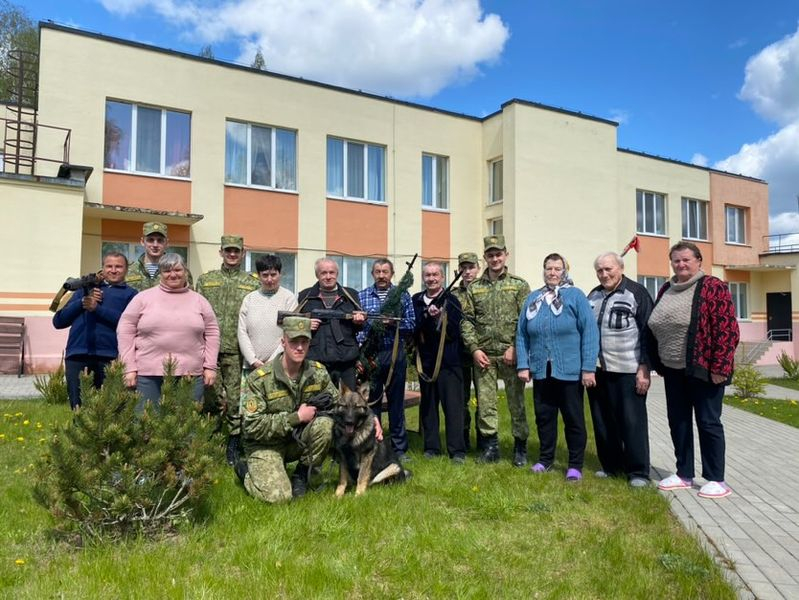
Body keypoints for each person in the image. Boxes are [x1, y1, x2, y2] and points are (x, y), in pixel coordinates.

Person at [647, 241, 739, 499]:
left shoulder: (713, 287)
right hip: (673, 369)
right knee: (679, 421)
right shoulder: (667, 288)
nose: (681, 264)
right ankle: (683, 473)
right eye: (676, 260)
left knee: (708, 422)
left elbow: (727, 330)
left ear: (699, 261)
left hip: (705, 369)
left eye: (686, 259)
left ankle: (716, 478)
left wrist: (720, 367)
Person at [516, 253, 599, 481]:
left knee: (573, 418)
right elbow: (522, 334)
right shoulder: (533, 299)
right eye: (548, 268)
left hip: (570, 370)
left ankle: (574, 464)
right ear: (543, 271)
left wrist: (588, 368)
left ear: (565, 271)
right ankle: (545, 459)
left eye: (557, 269)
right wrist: (523, 364)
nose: (552, 273)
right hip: (542, 370)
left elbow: (590, 332)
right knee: (544, 417)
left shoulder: (576, 296)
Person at [239, 316, 338, 503]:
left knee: (326, 425)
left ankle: (300, 474)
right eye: (294, 341)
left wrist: (369, 417)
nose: (299, 347)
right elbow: (251, 427)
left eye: (304, 341)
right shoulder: (259, 379)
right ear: (283, 342)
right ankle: (244, 471)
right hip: (265, 444)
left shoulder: (317, 372)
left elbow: (339, 404)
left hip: (296, 441)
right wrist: (296, 417)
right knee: (279, 497)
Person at [117, 253, 219, 412]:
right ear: (160, 274)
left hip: (191, 373)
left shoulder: (199, 301)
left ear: (185, 271)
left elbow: (212, 333)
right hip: (149, 373)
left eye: (177, 270)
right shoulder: (142, 298)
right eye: (166, 271)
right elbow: (125, 331)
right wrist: (129, 367)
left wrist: (210, 367)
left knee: (187, 425)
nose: (173, 275)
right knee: (146, 423)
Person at [461, 236, 530, 465]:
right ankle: (490, 447)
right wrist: (474, 349)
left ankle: (520, 447)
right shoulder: (474, 289)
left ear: (506, 255)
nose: (495, 259)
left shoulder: (519, 285)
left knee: (516, 403)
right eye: (490, 255)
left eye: (498, 254)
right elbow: (467, 321)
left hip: (511, 356)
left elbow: (526, 321)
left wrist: (516, 348)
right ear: (485, 258)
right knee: (486, 404)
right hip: (485, 357)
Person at [586, 252, 653, 487]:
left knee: (631, 422)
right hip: (598, 370)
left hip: (628, 369)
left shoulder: (636, 293)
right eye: (600, 270)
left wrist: (644, 368)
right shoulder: (593, 295)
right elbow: (585, 332)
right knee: (603, 421)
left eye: (608, 269)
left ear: (621, 268)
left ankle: (638, 472)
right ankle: (612, 466)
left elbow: (648, 332)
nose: (604, 274)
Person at [195, 235, 260, 464]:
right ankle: (209, 442)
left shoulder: (253, 283)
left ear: (243, 253)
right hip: (208, 350)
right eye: (228, 251)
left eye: (236, 251)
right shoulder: (206, 280)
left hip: (236, 350)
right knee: (209, 398)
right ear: (221, 252)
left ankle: (233, 445)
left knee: (235, 400)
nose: (232, 255)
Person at [52, 252, 137, 410]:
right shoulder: (83, 290)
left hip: (110, 357)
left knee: (110, 409)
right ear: (102, 269)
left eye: (118, 266)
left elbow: (129, 324)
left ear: (126, 270)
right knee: (79, 408)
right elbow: (58, 321)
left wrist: (97, 309)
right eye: (109, 266)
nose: (113, 270)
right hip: (77, 356)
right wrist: (81, 302)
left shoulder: (131, 295)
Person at [357, 258, 416, 462]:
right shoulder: (362, 296)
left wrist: (392, 323)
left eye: (385, 272)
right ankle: (373, 444)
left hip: (394, 352)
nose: (381, 275)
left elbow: (411, 325)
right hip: (370, 355)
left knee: (396, 402)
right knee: (371, 401)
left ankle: (399, 449)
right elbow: (356, 328)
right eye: (377, 272)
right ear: (372, 274)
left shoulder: (402, 296)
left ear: (392, 274)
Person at [412, 262, 466, 463]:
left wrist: (441, 318)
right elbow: (413, 327)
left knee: (453, 407)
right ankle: (432, 447)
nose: (432, 278)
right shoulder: (416, 300)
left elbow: (455, 331)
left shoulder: (452, 301)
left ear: (442, 278)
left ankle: (457, 450)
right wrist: (427, 315)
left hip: (449, 362)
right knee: (428, 406)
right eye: (428, 275)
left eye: (435, 274)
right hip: (425, 362)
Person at [296, 258, 366, 389]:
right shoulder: (305, 296)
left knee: (348, 404)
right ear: (317, 275)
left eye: (331, 272)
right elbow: (292, 323)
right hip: (316, 361)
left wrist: (359, 321)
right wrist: (306, 325)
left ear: (337, 274)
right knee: (318, 403)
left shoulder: (350, 295)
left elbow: (360, 328)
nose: (328, 277)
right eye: (323, 273)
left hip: (346, 360)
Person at [237, 254, 297, 376]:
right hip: (251, 367)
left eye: (273, 275)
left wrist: (272, 361)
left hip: (280, 366)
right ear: (258, 275)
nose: (269, 279)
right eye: (265, 275)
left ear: (280, 274)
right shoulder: (249, 299)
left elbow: (290, 332)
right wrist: (253, 360)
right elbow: (242, 331)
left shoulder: (289, 299)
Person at [450, 251, 482, 451]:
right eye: (464, 268)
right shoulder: (453, 294)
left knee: (484, 400)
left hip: (481, 352)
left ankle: (484, 441)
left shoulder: (484, 290)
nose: (467, 271)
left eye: (471, 267)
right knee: (460, 400)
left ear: (478, 269)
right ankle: (463, 439)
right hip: (459, 354)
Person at [126, 221, 193, 291]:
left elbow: (189, 297)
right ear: (142, 242)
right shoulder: (128, 270)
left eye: (160, 240)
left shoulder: (181, 272)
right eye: (150, 240)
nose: (155, 245)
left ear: (166, 243)